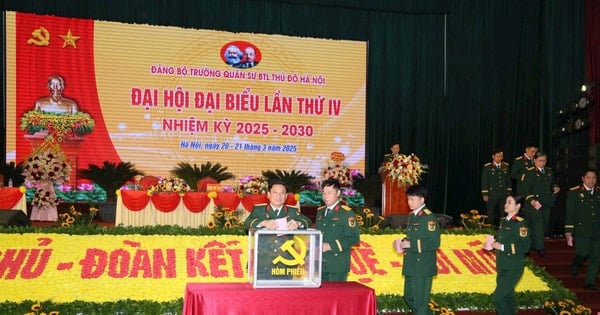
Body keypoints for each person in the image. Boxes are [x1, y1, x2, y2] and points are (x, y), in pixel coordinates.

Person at [244, 179, 311, 279]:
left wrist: (298, 223)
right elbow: (247, 223)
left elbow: (307, 221)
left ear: (286, 196)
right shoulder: (259, 210)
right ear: (269, 194)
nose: (278, 196)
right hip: (263, 260)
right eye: (275, 193)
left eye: (282, 193)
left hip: (285, 263)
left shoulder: (292, 211)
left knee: (284, 294)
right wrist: (264, 223)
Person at [394, 185, 440, 315]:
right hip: (412, 264)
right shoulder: (412, 216)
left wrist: (410, 244)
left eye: (412, 199)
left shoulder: (428, 218)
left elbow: (434, 243)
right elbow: (412, 237)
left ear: (422, 200)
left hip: (423, 266)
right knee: (408, 297)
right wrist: (402, 243)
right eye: (408, 199)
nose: (409, 202)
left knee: (420, 303)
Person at [489, 194, 531, 315]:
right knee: (508, 298)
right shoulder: (504, 221)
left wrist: (501, 247)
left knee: (497, 298)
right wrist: (492, 244)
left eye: (509, 202)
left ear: (518, 206)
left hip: (513, 267)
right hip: (502, 266)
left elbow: (524, 246)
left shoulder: (521, 224)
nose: (505, 205)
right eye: (506, 202)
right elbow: (503, 239)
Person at [315, 178, 360, 281]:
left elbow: (354, 238)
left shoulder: (346, 213)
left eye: (329, 193)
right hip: (321, 263)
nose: (326, 196)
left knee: (336, 296)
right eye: (324, 193)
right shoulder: (320, 212)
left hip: (337, 264)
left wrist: (330, 246)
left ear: (338, 193)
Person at [564, 169, 600, 291]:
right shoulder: (574, 192)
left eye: (594, 178)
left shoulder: (598, 192)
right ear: (583, 178)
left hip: (597, 230)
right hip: (581, 229)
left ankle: (589, 282)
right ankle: (576, 264)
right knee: (583, 253)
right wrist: (568, 230)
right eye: (589, 177)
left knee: (596, 256)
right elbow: (570, 212)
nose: (591, 180)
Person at [521, 151, 560, 257]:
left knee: (544, 224)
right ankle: (540, 248)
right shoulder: (529, 172)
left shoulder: (548, 171)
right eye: (540, 161)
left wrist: (555, 187)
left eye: (544, 161)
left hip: (546, 202)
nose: (542, 163)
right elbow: (525, 189)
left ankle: (532, 245)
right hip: (534, 203)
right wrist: (531, 200)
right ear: (534, 160)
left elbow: (552, 183)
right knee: (538, 225)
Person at [481, 149, 512, 227]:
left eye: (501, 156)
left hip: (503, 194)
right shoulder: (487, 167)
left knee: (503, 213)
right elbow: (484, 181)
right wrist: (485, 194)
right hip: (492, 194)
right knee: (491, 213)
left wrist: (508, 191)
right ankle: (490, 230)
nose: (500, 158)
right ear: (493, 157)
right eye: (498, 156)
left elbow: (508, 180)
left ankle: (502, 230)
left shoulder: (505, 166)